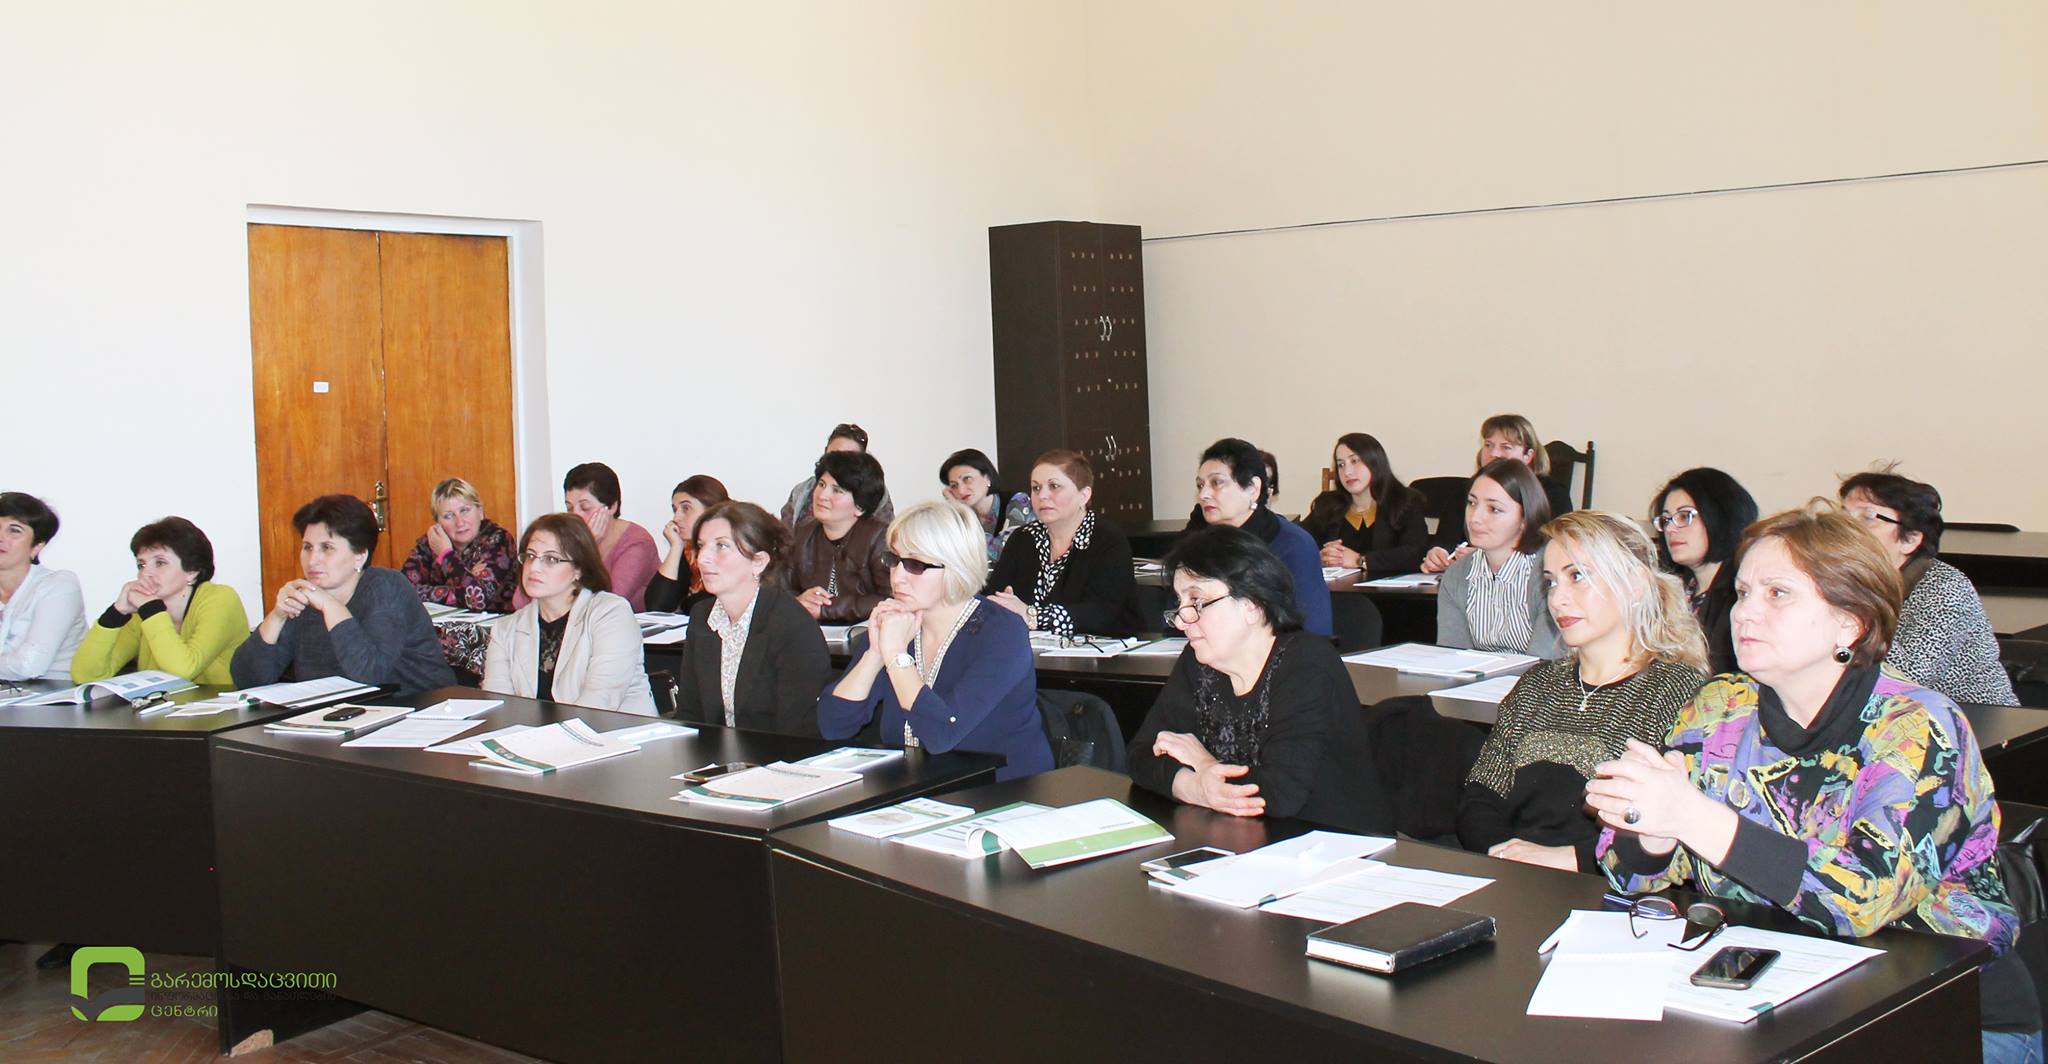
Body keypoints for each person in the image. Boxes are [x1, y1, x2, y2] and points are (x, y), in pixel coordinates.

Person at [1588, 504, 2038, 1060]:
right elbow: (1625, 874)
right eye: (1743, 592)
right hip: (1769, 990)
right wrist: (1652, 838)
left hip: (1944, 1011)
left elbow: (1864, 899)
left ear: (1851, 621)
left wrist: (1690, 816)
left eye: (1778, 594)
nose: (1746, 613)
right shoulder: (1719, 708)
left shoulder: (1916, 726)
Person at [1458, 511, 1707, 872]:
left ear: (1635, 585)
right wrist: (1504, 854)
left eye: (1577, 576)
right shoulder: (1537, 684)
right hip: (1512, 873)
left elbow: (1674, 830)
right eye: (1551, 582)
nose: (1557, 599)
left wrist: (1571, 860)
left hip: (1605, 886)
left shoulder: (1675, 691)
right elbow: (1481, 795)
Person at [1128, 525, 1391, 832]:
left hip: (1338, 842)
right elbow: (1141, 755)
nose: (1182, 620)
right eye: (1180, 602)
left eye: (1197, 602)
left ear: (1252, 605)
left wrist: (1204, 765)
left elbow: (1280, 794)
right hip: (1245, 837)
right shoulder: (1200, 660)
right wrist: (1197, 787)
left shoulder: (1307, 663)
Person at [818, 501, 1051, 781]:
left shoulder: (1002, 631)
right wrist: (875, 654)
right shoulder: (897, 623)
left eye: (915, 565)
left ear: (956, 566)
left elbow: (942, 733)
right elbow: (833, 726)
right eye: (894, 560)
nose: (897, 577)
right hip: (914, 786)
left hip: (999, 788)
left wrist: (896, 657)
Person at [230, 494, 455, 697]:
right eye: (307, 547)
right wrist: (278, 616)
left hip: (420, 710)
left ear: (360, 556)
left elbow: (370, 674)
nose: (313, 560)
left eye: (327, 548)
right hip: (338, 717)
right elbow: (247, 680)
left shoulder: (386, 587)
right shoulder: (304, 597)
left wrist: (330, 606)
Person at [1840, 470, 2018, 706]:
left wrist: (1854, 603)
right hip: (1882, 716)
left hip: (1968, 717)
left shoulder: (1945, 587)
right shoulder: (1839, 582)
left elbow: (1907, 679)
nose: (1845, 528)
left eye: (1868, 517)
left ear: (1910, 539)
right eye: (1843, 516)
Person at [672, 501, 828, 735]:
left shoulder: (792, 627)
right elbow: (690, 713)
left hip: (776, 755)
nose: (703, 558)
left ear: (759, 562)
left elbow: (796, 733)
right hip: (715, 753)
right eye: (702, 546)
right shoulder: (702, 616)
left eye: (721, 546)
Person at [483, 514, 654, 714]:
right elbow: (499, 707)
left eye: (551, 559)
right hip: (535, 733)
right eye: (530, 556)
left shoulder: (611, 614)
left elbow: (599, 703)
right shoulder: (505, 629)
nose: (534, 567)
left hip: (613, 730)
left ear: (578, 570)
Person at [71, 516, 249, 685]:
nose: (145, 573)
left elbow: (183, 670)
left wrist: (151, 610)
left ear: (192, 571)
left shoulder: (220, 598)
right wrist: (116, 613)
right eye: (141, 565)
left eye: (160, 563)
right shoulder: (143, 612)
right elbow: (85, 675)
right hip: (165, 705)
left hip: (222, 705)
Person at [985, 449, 1142, 637]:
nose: (1042, 495)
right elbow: (993, 596)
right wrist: (1003, 603)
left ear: (1084, 496)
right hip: (1033, 648)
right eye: (1036, 488)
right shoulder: (1023, 537)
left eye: (1054, 486)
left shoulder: (1108, 540)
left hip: (1100, 649)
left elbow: (1102, 612)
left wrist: (1032, 615)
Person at [1186, 437, 1333, 637]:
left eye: (1216, 483)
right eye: (1200, 485)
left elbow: (1313, 630)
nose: (1204, 494)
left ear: (1253, 489)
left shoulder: (1294, 544)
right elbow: (1178, 614)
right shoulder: (1199, 542)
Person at [1436, 459, 1562, 657]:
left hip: (1540, 676)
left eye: (1494, 509)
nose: (1475, 518)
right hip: (1477, 677)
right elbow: (1453, 658)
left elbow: (1545, 662)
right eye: (1472, 503)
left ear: (1525, 517)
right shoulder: (1456, 575)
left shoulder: (1549, 573)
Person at [1424, 413, 1576, 570]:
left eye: (1506, 447)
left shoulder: (1552, 493)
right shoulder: (1467, 490)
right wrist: (1439, 553)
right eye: (1488, 445)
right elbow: (1446, 537)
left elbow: (1554, 545)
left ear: (1528, 456)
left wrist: (1494, 556)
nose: (1494, 454)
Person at [1650, 468, 1758, 676]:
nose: (1671, 529)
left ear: (1720, 515)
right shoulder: (1669, 587)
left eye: (1684, 516)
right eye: (1666, 520)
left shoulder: (1742, 592)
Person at [1299, 432, 1429, 576]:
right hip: (1337, 588)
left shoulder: (1405, 501)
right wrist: (1319, 556)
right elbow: (1297, 540)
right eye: (1341, 465)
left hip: (1388, 589)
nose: (1347, 472)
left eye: (1355, 461)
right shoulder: (1328, 504)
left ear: (1374, 462)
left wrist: (1361, 561)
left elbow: (1416, 552)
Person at [787, 451, 892, 623]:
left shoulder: (881, 538)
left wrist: (828, 609)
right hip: (812, 630)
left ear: (860, 506)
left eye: (837, 490)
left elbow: (889, 598)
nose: (822, 495)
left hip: (863, 632)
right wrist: (800, 601)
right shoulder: (803, 532)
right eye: (821, 484)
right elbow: (779, 589)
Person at [0, 492, 85, 682]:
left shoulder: (59, 585)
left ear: (36, 547)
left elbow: (28, 666)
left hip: (55, 693)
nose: (1, 537)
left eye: (14, 530)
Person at [399, 477, 517, 613]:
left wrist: (445, 555)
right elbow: (400, 591)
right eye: (448, 516)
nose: (460, 522)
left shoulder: (498, 539)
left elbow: (477, 598)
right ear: (438, 523)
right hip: (438, 625)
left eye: (464, 510)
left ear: (480, 511)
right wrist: (461, 588)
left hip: (494, 625)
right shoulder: (431, 542)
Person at [780, 422, 896, 530]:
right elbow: (785, 534)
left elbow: (887, 535)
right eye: (835, 456)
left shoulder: (874, 493)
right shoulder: (802, 491)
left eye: (849, 459)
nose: (840, 465)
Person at [646, 474, 730, 613]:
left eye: (686, 508)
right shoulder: (690, 551)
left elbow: (716, 603)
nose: (676, 518)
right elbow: (657, 607)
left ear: (711, 510)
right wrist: (676, 547)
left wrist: (687, 604)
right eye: (675, 510)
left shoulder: (733, 548)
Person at [940, 448, 1034, 564]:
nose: (961, 490)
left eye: (967, 479)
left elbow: (1004, 552)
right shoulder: (961, 515)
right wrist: (957, 513)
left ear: (988, 477)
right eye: (954, 485)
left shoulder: (1018, 501)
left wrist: (963, 517)